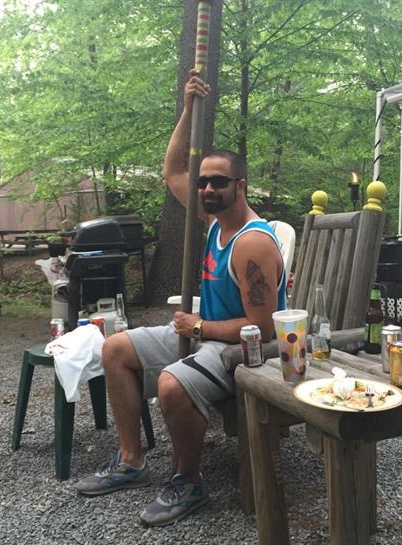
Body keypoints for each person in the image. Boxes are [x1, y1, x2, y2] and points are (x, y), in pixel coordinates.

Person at [76, 69, 286, 527]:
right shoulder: (214, 220)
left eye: (219, 182)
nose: (208, 189)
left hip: (241, 350)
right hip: (204, 334)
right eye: (205, 181)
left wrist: (200, 328)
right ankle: (131, 461)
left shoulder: (252, 243)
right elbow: (173, 170)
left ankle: (188, 480)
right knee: (115, 347)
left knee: (171, 383)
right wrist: (190, 107)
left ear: (240, 185)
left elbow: (263, 328)